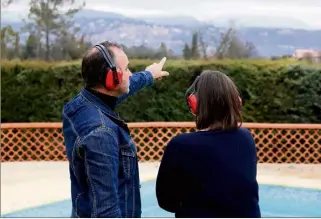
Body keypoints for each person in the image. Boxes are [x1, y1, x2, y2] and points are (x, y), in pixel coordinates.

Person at [62, 41, 169, 218]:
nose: (130, 74)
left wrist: (149, 75)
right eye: (126, 69)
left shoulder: (78, 106)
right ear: (112, 79)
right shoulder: (101, 133)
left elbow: (124, 88)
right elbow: (106, 211)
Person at [155, 70, 261, 218]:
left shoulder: (181, 145)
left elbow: (166, 201)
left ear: (194, 104)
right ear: (236, 102)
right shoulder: (246, 137)